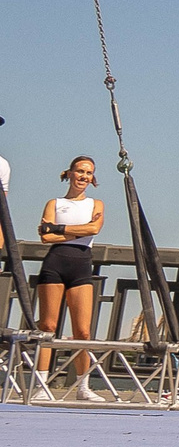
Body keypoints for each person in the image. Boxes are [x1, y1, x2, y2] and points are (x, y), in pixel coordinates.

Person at [32, 156, 106, 400]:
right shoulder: (54, 203)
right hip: (55, 263)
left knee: (83, 331)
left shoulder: (96, 204)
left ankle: (83, 387)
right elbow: (45, 237)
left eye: (89, 173)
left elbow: (93, 229)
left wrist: (59, 229)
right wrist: (74, 231)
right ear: (70, 173)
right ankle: (41, 384)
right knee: (48, 327)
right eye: (80, 171)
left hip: (82, 265)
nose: (84, 176)